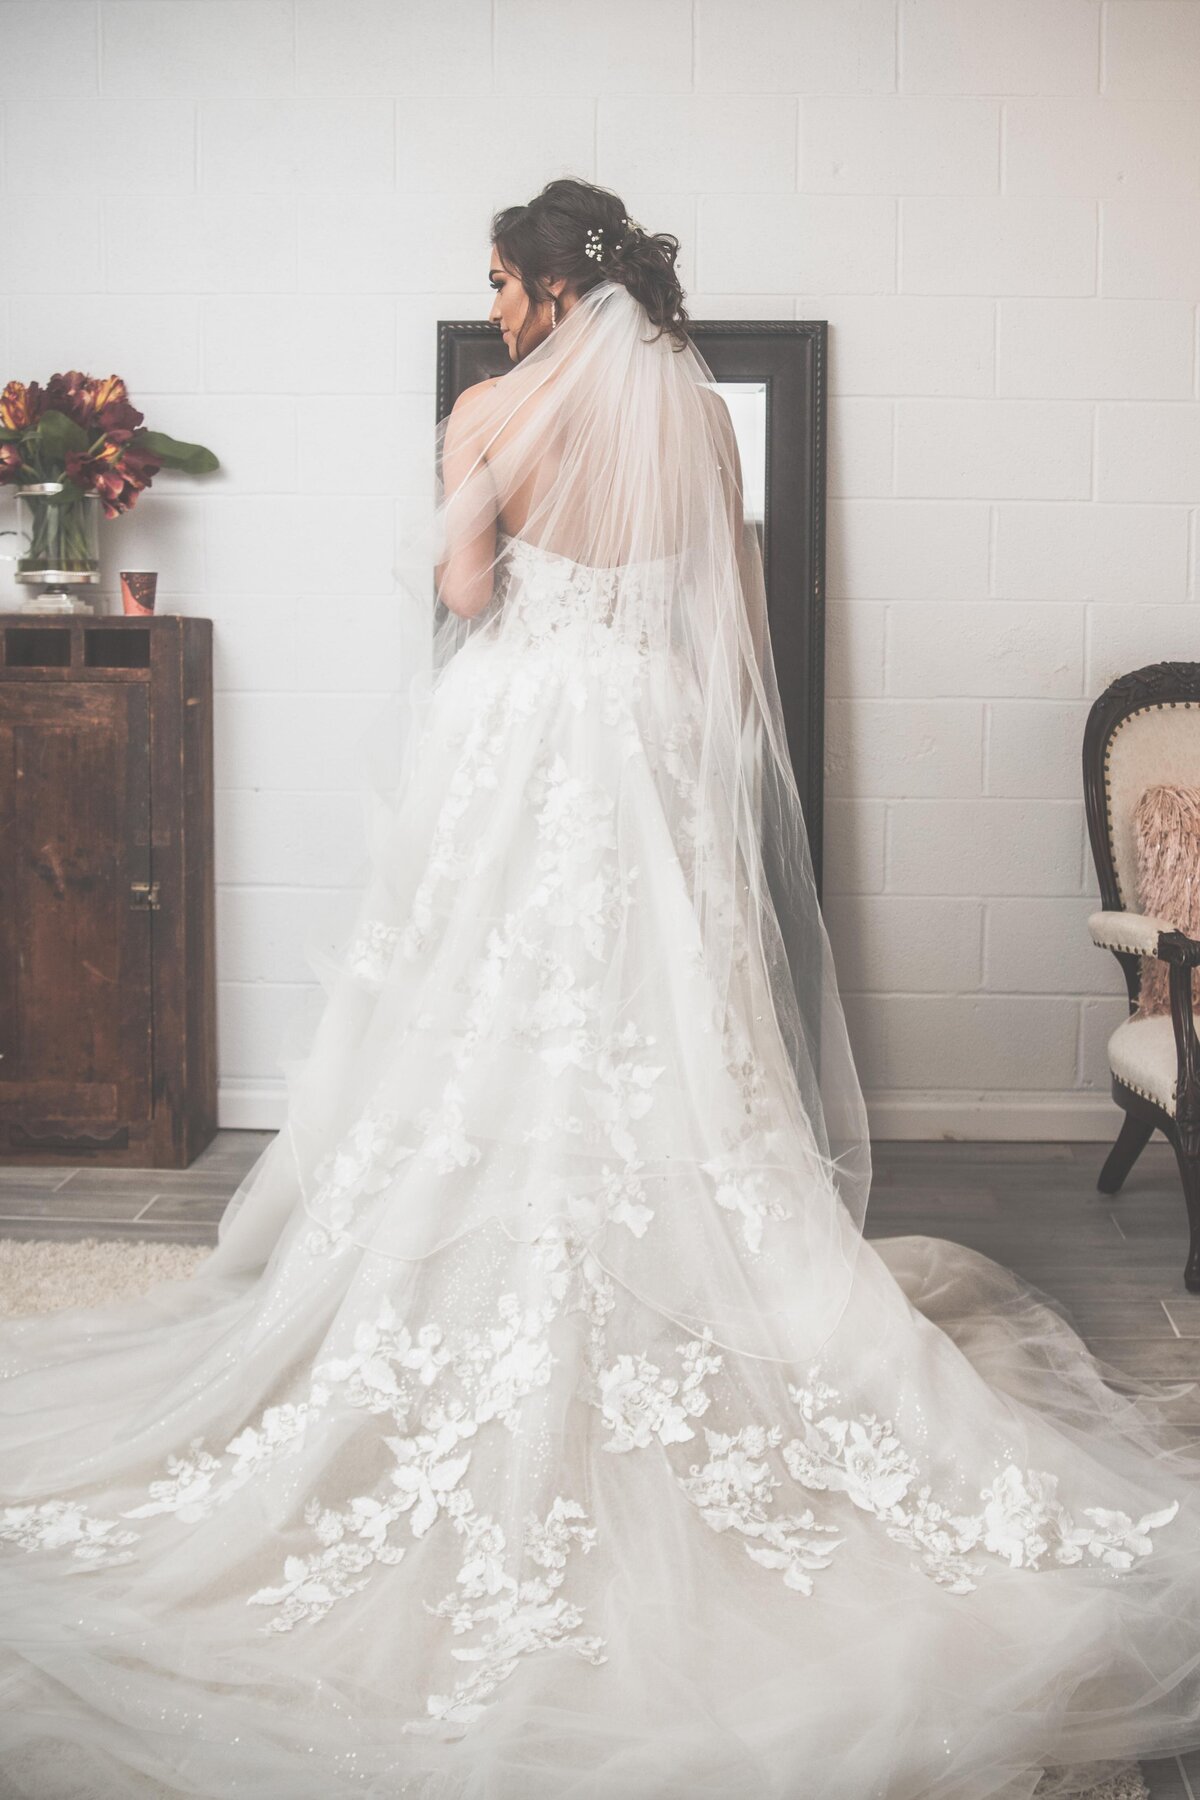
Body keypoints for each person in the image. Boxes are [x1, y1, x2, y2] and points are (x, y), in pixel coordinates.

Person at [2, 175, 1200, 1800]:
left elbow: (469, 596)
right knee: (663, 1023)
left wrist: (473, 514)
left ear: (546, 289)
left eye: (498, 279)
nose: (491, 307)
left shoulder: (489, 407)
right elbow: (727, 629)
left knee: (490, 1003)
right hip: (656, 738)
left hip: (523, 735)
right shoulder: (702, 419)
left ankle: (462, 1275)